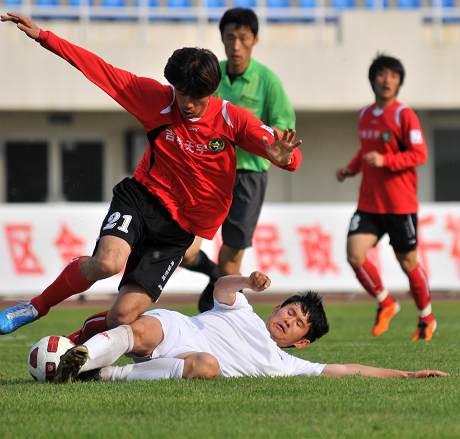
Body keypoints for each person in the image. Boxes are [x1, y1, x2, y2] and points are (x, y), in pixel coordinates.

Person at [0, 13, 302, 340]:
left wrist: (285, 158)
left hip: (181, 229)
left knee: (122, 316)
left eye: (196, 97)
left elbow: (288, 154)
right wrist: (43, 36)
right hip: (142, 198)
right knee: (107, 263)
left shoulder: (232, 119)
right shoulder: (155, 99)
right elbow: (99, 70)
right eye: (181, 93)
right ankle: (35, 307)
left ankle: (72, 344)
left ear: (212, 90)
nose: (188, 104)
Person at [51, 271, 449, 384]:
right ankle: (80, 359)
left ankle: (100, 374)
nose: (288, 320)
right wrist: (245, 281)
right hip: (178, 329)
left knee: (208, 367)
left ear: (302, 342)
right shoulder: (243, 310)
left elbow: (349, 369)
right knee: (142, 330)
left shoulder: (288, 366)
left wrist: (407, 374)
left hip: (190, 358)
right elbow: (221, 288)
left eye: (298, 323)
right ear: (277, 307)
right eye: (290, 311)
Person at [179, 7, 296, 313]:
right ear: (221, 38)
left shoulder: (268, 81)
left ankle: (229, 321)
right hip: (207, 172)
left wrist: (256, 134)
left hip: (247, 177)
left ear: (255, 39)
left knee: (230, 262)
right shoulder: (209, 74)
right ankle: (213, 276)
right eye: (230, 37)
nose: (236, 45)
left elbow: (283, 128)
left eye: (243, 38)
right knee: (184, 252)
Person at [336, 54, 436, 341]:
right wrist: (351, 169)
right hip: (369, 203)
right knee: (354, 254)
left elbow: (419, 154)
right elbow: (365, 150)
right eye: (382, 74)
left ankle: (426, 318)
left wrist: (386, 160)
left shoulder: (405, 115)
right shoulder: (364, 114)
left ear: (399, 81)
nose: (387, 80)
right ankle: (386, 302)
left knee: (408, 263)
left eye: (393, 75)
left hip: (399, 204)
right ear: (372, 79)